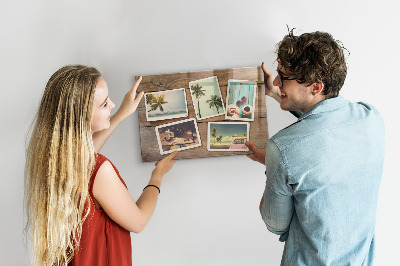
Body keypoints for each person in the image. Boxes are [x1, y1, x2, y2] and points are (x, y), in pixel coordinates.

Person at [245, 30, 385, 265]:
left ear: (316, 87)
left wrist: (273, 163)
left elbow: (274, 224)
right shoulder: (371, 118)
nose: (277, 81)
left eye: (284, 77)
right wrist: (278, 94)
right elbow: (325, 124)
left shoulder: (282, 149)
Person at [24, 65, 177, 266]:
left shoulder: (52, 159)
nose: (112, 104)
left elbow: (85, 156)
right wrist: (157, 175)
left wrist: (122, 113)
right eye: (105, 104)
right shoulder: (99, 170)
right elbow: (138, 221)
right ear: (81, 117)